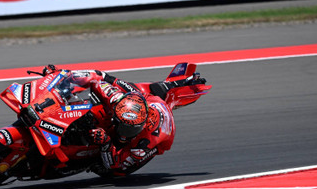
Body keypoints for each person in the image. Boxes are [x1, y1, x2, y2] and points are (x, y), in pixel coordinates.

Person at [40, 64, 205, 176]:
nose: (123, 133)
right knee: (152, 88)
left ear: (141, 126)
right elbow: (99, 76)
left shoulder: (145, 143)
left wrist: (106, 144)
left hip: (156, 139)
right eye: (122, 126)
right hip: (146, 101)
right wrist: (62, 76)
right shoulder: (115, 96)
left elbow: (117, 164)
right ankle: (187, 81)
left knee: (114, 172)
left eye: (129, 130)